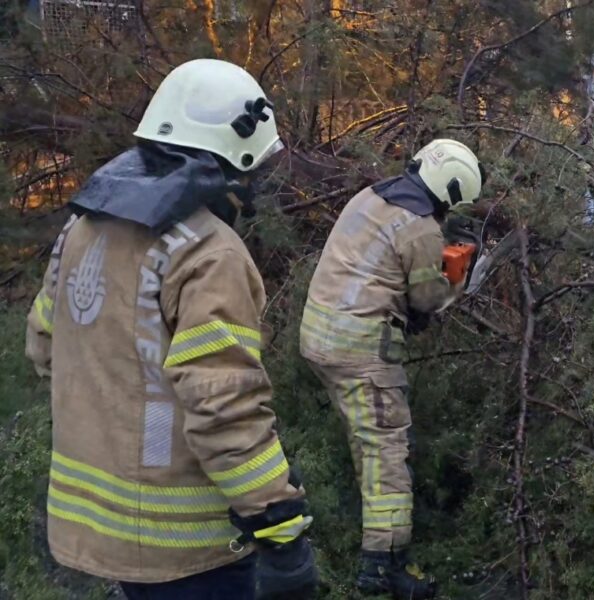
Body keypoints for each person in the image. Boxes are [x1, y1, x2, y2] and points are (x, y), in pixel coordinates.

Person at [25, 58, 317, 600]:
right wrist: (278, 521)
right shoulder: (208, 251)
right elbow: (223, 406)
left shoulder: (81, 227)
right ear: (237, 157)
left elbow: (45, 345)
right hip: (186, 547)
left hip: (101, 524)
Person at [300, 139, 486, 599]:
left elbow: (381, 266)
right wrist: (458, 278)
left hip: (321, 337)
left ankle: (373, 540)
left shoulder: (371, 196)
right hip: (360, 349)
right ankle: (383, 567)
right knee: (386, 450)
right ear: (451, 189)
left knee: (366, 441)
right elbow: (427, 298)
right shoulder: (419, 229)